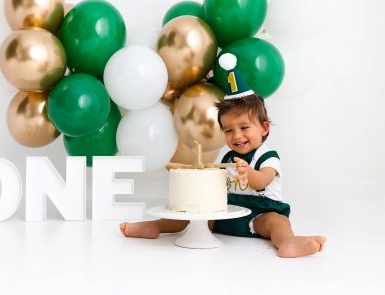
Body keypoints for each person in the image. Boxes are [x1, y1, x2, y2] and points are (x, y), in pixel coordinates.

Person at [119, 53, 326, 258]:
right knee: (192, 217)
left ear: (263, 128)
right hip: (227, 212)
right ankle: (155, 227)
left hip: (260, 213)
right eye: (228, 130)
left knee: (277, 223)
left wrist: (249, 174)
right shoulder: (228, 158)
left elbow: (264, 179)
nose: (237, 136)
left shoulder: (267, 155)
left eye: (244, 127)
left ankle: (288, 242)